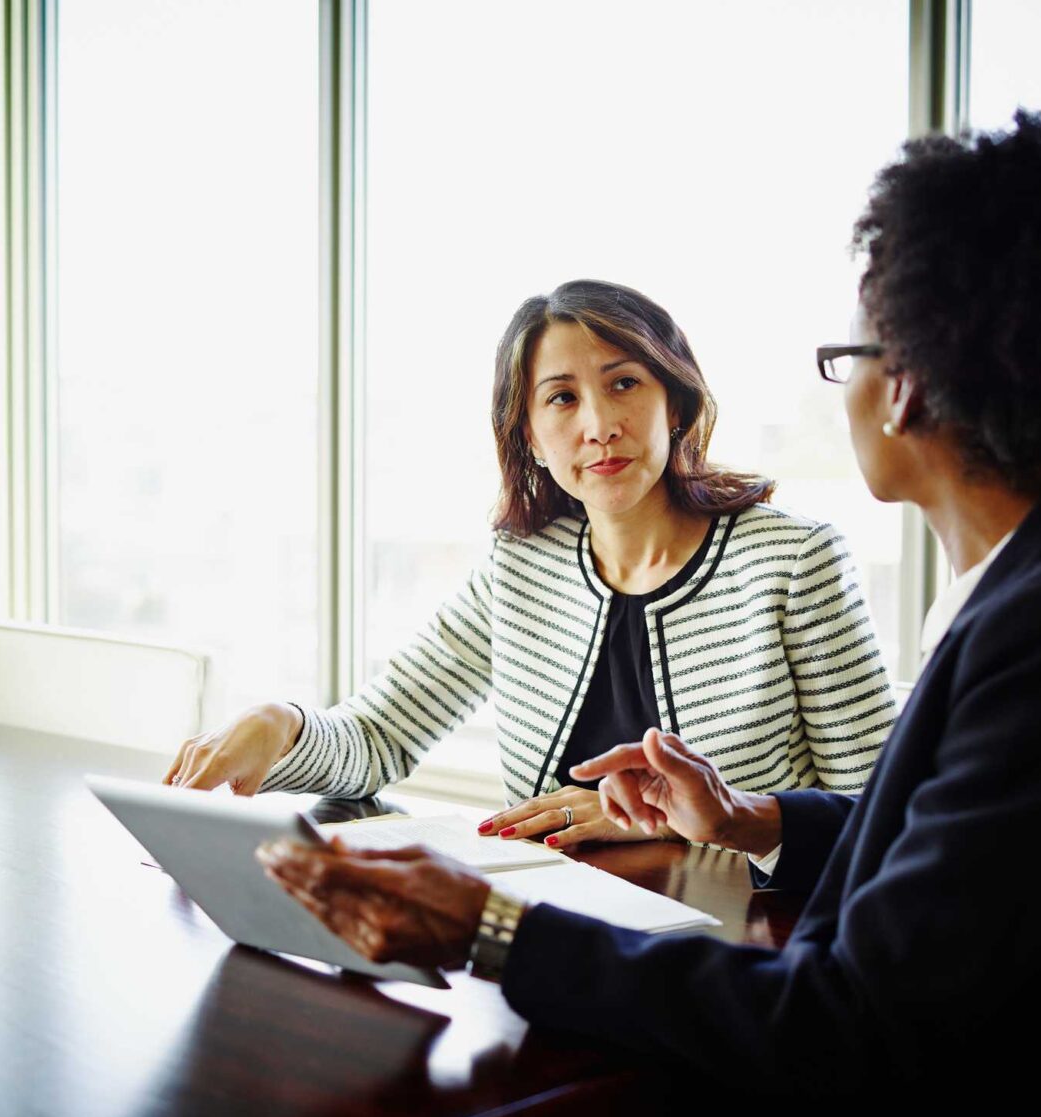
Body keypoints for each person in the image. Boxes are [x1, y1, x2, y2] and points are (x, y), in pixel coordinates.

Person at [261, 113, 1041, 1117]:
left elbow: (855, 1021)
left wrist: (491, 930)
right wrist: (746, 817)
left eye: (854, 356)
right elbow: (945, 853)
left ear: (910, 384)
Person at [167, 280, 896, 848]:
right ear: (529, 433)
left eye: (624, 383)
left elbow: (883, 815)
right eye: (561, 398)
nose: (598, 425)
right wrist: (278, 725)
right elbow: (378, 736)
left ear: (675, 402)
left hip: (748, 952)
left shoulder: (793, 562)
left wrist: (671, 819)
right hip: (554, 942)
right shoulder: (521, 568)